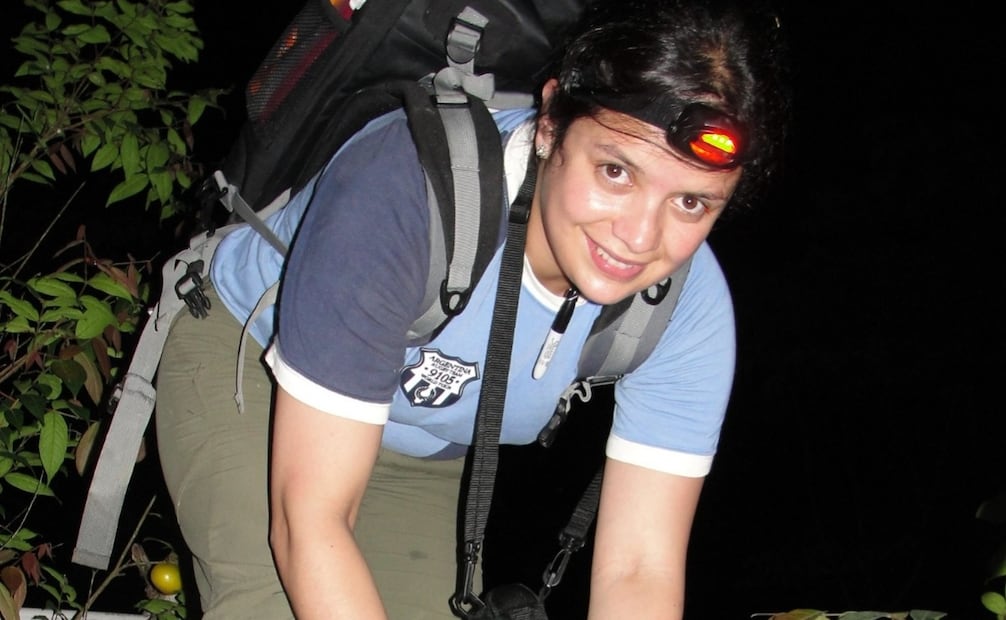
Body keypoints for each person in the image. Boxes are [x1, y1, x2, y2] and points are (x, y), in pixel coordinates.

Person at [154, 0, 790, 618]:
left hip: (423, 450)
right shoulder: (406, 192)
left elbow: (639, 572)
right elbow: (309, 519)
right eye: (616, 172)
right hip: (251, 371)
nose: (641, 237)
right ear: (550, 125)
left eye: (691, 204)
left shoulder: (683, 308)